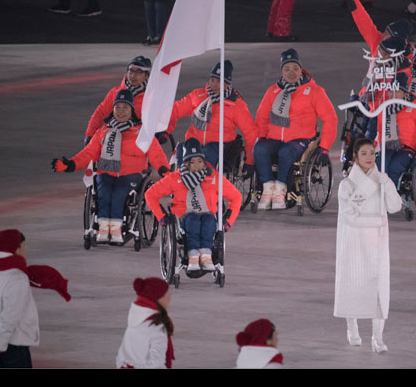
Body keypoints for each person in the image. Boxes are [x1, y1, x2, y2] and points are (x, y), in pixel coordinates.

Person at [52, 89, 170, 244]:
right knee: (104, 190)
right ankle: (102, 228)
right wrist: (70, 165)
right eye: (118, 107)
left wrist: (164, 170)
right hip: (106, 172)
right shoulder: (103, 132)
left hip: (131, 174)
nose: (121, 111)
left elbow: (156, 154)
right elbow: (88, 154)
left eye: (125, 107)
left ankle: (115, 229)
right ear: (113, 109)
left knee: (120, 192)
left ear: (132, 110)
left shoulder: (142, 132)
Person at [334, 138, 402, 353]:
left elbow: (395, 207)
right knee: (352, 284)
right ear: (355, 156)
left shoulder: (381, 180)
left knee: (379, 288)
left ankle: (377, 337)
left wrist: (388, 185)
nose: (369, 157)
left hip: (377, 243)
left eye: (372, 153)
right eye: (363, 153)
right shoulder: (347, 185)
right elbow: (349, 217)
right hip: (354, 241)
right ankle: (352, 327)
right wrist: (376, 221)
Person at [253, 49, 338, 210]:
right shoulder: (273, 91)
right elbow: (262, 118)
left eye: (295, 68)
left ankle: (280, 190)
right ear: (281, 71)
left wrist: (324, 147)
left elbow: (330, 119)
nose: (291, 73)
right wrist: (262, 137)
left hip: (301, 139)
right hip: (275, 137)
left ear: (301, 69)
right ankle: (267, 188)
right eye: (287, 69)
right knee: (260, 149)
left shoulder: (315, 91)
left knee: (286, 152)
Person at [0, 229, 71, 368]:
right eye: (23, 246)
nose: (25, 249)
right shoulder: (17, 278)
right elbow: (10, 317)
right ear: (15, 248)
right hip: (11, 346)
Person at [144, 138, 242, 272]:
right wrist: (161, 216)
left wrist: (227, 221)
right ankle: (193, 256)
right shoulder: (175, 178)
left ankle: (206, 256)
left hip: (208, 214)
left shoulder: (213, 178)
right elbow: (150, 194)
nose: (197, 165)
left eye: (200, 161)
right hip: (184, 218)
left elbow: (236, 197)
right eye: (192, 162)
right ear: (185, 163)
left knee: (208, 221)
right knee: (193, 220)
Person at [165, 60, 257, 176]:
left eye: (219, 81)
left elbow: (250, 132)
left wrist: (249, 161)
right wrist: (165, 130)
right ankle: (182, 181)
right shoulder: (198, 96)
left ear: (227, 84)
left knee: (207, 153)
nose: (213, 84)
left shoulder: (236, 104)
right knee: (181, 150)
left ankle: (203, 182)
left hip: (219, 145)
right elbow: (174, 110)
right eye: (212, 79)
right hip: (194, 141)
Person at [376, 72, 416, 188]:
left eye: (397, 91)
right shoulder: (385, 108)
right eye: (391, 91)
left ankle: (392, 197)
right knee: (380, 163)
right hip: (389, 147)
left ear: (405, 93)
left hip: (409, 149)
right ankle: (379, 196)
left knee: (395, 167)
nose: (393, 95)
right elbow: (381, 132)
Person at [85, 55, 152, 145]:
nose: (133, 75)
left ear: (147, 75)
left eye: (139, 72)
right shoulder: (115, 92)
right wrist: (90, 135)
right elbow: (100, 113)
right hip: (112, 138)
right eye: (131, 70)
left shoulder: (151, 96)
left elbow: (166, 113)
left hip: (138, 140)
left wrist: (165, 132)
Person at [116, 277, 174, 369]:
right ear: (159, 299)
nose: (169, 299)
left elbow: (120, 357)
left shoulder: (136, 320)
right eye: (167, 295)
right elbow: (156, 364)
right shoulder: (156, 327)